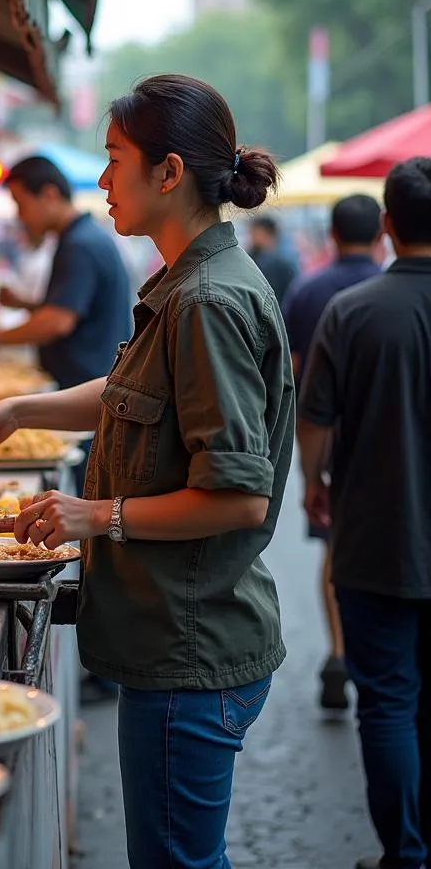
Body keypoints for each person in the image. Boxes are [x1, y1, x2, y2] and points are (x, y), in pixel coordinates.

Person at [0, 75, 294, 869]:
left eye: (113, 160)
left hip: (191, 648)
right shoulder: (185, 287)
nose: (100, 182)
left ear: (168, 173)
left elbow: (238, 498)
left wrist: (95, 516)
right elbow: (133, 393)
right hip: (175, 639)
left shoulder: (206, 300)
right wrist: (19, 410)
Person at [297, 159, 431, 869]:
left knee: (386, 705)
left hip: (376, 536)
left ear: (388, 227)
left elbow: (314, 419)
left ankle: (404, 855)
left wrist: (314, 480)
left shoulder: (352, 312)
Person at [281, 194, 384, 711]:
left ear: (334, 236)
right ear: (382, 233)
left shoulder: (310, 291)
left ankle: (340, 650)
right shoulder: (393, 291)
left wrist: (310, 471)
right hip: (398, 443)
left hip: (337, 442)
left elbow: (296, 373)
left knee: (335, 550)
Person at [0, 156, 131, 391]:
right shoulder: (81, 237)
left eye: (21, 204)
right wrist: (24, 304)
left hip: (85, 389)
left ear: (49, 195)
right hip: (86, 384)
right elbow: (75, 311)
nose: (19, 217)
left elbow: (58, 322)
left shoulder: (79, 244)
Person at [248, 214, 298, 302]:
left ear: (269, 234)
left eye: (256, 233)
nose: (252, 237)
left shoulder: (281, 261)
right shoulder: (252, 257)